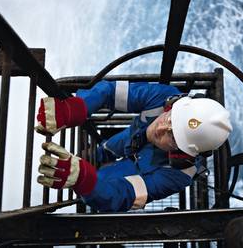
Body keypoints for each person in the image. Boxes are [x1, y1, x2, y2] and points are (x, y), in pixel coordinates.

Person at [35, 80, 232, 212]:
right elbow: (111, 92)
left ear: (181, 154)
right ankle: (98, 155)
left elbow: (124, 194)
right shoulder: (164, 97)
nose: (161, 127)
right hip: (130, 138)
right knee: (105, 149)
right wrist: (75, 108)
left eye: (172, 135)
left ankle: (87, 172)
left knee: (102, 183)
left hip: (136, 169)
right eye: (171, 118)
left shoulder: (178, 176)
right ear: (173, 105)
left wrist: (84, 180)